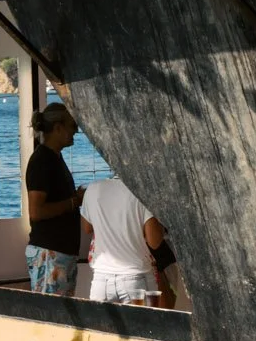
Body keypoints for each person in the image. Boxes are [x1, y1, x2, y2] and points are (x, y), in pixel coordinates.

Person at [79, 170, 165, 305]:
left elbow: (87, 227)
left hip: (101, 280)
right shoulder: (143, 192)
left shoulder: (93, 188)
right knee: (143, 326)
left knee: (100, 327)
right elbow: (154, 241)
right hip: (136, 280)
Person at [25, 103, 84, 295]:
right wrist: (74, 202)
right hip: (51, 253)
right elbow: (36, 211)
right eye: (72, 126)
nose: (75, 131)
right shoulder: (42, 161)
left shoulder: (54, 159)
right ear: (58, 128)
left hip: (60, 252)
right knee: (53, 313)